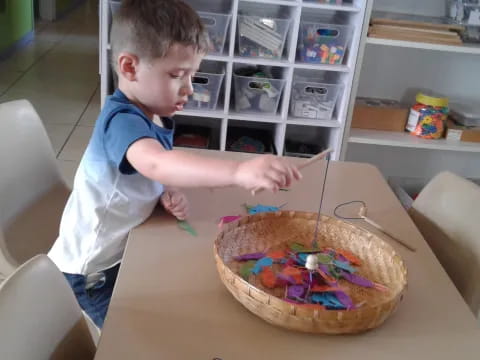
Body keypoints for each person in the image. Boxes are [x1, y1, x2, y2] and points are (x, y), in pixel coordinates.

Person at [48, 0, 301, 328]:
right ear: (129, 67)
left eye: (192, 75)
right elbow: (155, 163)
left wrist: (165, 191)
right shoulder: (121, 119)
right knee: (135, 342)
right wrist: (238, 171)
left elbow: (152, 171)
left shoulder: (155, 115)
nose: (189, 89)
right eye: (177, 75)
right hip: (92, 272)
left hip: (127, 249)